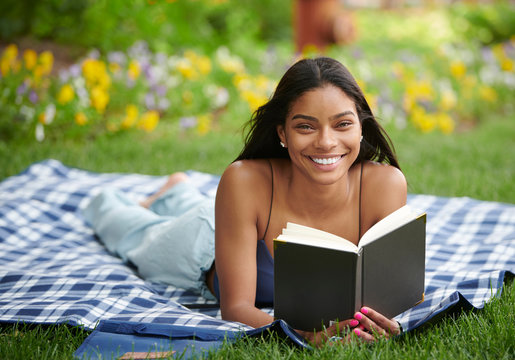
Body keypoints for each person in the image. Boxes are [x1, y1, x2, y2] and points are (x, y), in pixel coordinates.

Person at [83, 57, 406, 345]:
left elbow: (383, 303)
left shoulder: (386, 185)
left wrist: (382, 327)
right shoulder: (242, 180)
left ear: (361, 127)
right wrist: (307, 338)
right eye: (305, 126)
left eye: (343, 124)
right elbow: (236, 309)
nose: (326, 142)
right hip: (198, 245)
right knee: (125, 229)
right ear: (282, 133)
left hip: (233, 220)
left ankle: (177, 189)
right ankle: (112, 198)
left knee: (197, 204)